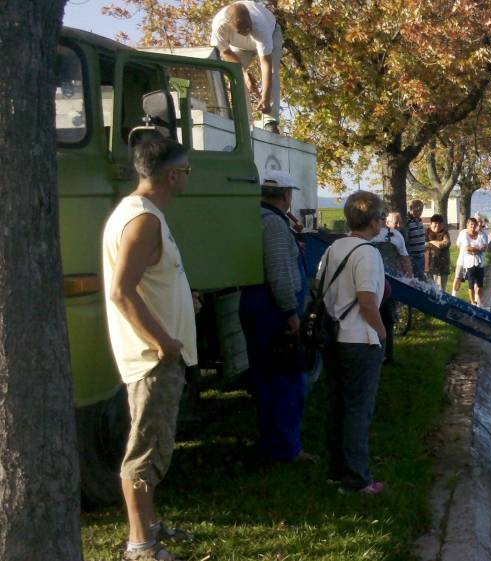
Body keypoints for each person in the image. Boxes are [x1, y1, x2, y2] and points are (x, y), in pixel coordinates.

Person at [102, 137, 197, 561]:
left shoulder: (142, 214)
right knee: (144, 452)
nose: (188, 178)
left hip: (156, 357)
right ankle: (141, 546)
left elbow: (148, 283)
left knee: (153, 445)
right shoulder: (143, 219)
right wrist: (163, 343)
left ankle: (150, 527)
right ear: (173, 175)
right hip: (153, 360)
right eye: (187, 171)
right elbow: (121, 292)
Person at [238, 170, 316, 464]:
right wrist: (290, 313)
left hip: (255, 303)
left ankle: (270, 442)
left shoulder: (256, 219)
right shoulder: (274, 225)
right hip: (273, 309)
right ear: (286, 195)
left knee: (266, 378)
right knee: (286, 379)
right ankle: (285, 448)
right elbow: (280, 274)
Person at [317, 190, 387, 494]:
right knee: (359, 410)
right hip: (360, 339)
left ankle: (336, 469)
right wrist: (382, 333)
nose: (384, 222)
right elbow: (367, 301)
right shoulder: (368, 253)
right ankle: (357, 478)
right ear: (372, 221)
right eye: (382, 217)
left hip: (335, 335)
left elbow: (318, 286)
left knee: (338, 405)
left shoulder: (335, 249)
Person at [210, 2, 283, 132]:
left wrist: (265, 98)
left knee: (272, 72)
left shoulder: (260, 26)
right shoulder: (219, 25)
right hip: (239, 47)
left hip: (272, 34)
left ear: (250, 18)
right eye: (241, 30)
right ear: (229, 25)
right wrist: (244, 74)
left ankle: (270, 121)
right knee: (235, 75)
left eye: (248, 27)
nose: (246, 32)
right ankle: (245, 120)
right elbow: (225, 52)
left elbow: (266, 63)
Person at [371, 211, 411, 364]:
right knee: (376, 319)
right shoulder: (363, 235)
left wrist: (409, 280)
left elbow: (405, 258)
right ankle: (377, 355)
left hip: (389, 284)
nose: (379, 221)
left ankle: (388, 355)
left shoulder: (394, 235)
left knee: (387, 319)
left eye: (381, 218)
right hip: (371, 284)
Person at [456, 217, 488, 306]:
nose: (473, 226)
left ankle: (479, 301)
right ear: (467, 225)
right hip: (469, 263)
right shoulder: (465, 234)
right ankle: (472, 302)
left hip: (480, 262)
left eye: (474, 224)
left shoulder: (481, 235)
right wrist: (478, 249)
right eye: (471, 224)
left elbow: (484, 247)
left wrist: (474, 249)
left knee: (480, 284)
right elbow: (467, 249)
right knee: (471, 283)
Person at [424, 214, 451, 292]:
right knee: (429, 290)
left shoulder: (445, 233)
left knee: (441, 291)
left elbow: (445, 244)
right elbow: (424, 245)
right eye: (435, 223)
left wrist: (431, 242)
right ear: (431, 224)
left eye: (440, 223)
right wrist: (436, 243)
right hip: (428, 266)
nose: (437, 225)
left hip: (442, 267)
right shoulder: (426, 232)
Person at [404, 199, 426, 281]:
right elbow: (406, 240)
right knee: (416, 279)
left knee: (421, 277)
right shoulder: (407, 222)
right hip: (413, 256)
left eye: (421, 209)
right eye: (416, 209)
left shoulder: (419, 220)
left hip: (421, 255)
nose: (419, 211)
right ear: (410, 209)